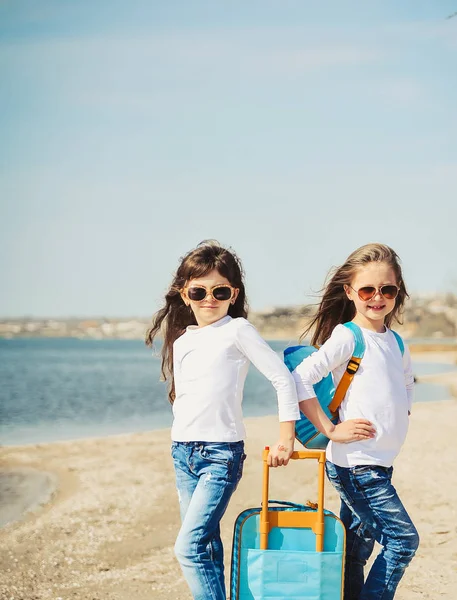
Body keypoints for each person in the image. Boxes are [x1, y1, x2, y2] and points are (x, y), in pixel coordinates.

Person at [145, 240, 300, 600]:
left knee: (188, 548)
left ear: (233, 293)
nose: (208, 299)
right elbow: (185, 396)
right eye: (198, 291)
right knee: (207, 548)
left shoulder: (238, 330)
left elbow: (282, 378)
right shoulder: (182, 340)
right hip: (182, 454)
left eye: (219, 291)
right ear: (185, 295)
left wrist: (286, 438)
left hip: (220, 456)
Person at [291, 243, 419, 600]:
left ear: (397, 291)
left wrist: (402, 413)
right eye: (367, 290)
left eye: (387, 289)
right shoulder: (349, 336)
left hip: (380, 463)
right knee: (402, 540)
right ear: (350, 292)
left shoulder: (395, 341)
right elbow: (299, 379)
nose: (377, 297)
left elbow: (407, 381)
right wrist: (329, 430)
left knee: (355, 551)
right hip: (357, 467)